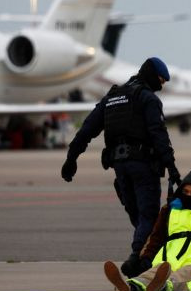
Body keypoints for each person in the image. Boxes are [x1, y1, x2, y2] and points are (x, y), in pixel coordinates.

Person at [61, 57, 181, 278]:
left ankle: (146, 259)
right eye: (161, 80)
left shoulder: (112, 97)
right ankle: (137, 259)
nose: (161, 85)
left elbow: (87, 128)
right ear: (152, 76)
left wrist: (72, 157)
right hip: (143, 166)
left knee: (137, 216)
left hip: (120, 167)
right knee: (149, 215)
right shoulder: (148, 99)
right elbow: (158, 134)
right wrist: (172, 167)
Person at [103, 169, 191, 291]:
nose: (189, 195)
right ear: (180, 191)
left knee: (185, 276)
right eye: (186, 191)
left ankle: (164, 287)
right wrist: (146, 257)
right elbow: (156, 236)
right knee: (150, 274)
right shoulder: (169, 210)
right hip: (167, 257)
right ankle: (131, 286)